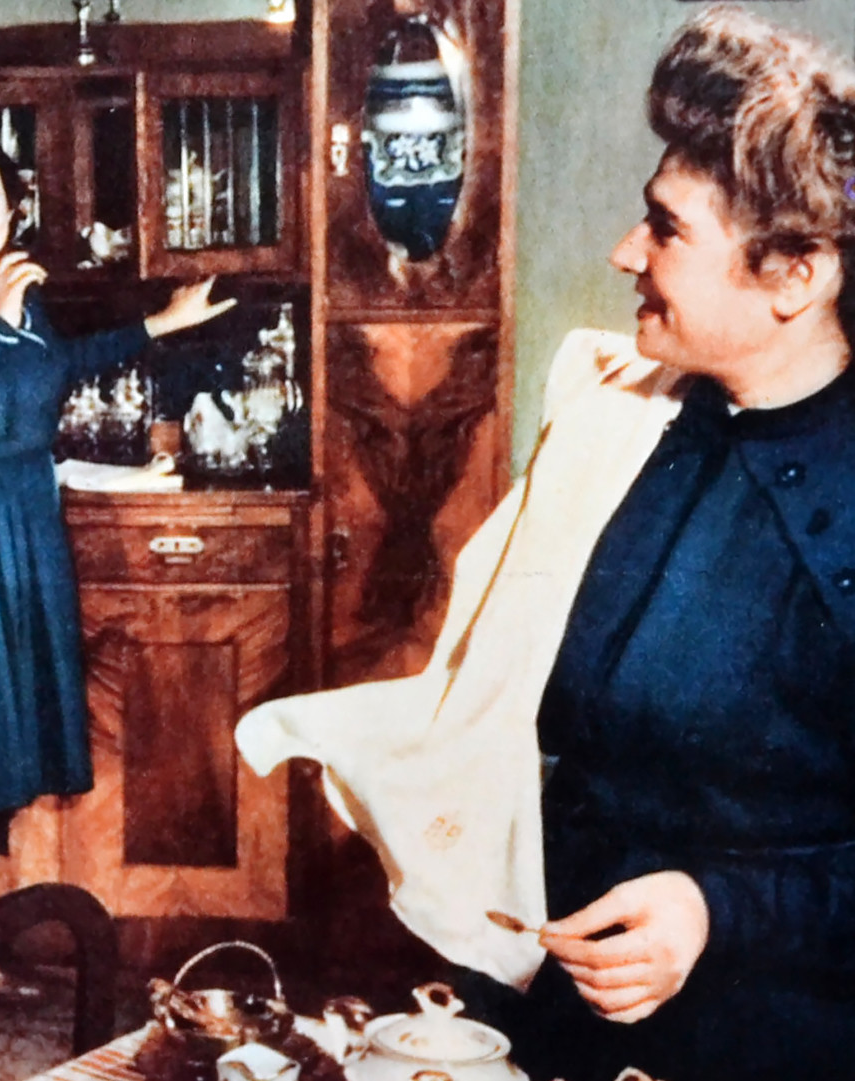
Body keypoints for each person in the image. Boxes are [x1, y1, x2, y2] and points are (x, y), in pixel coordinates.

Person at [238, 8, 855, 1078]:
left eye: (666, 231)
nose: (626, 252)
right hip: (555, 995)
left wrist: (718, 909)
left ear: (795, 275)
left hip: (771, 1027)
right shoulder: (627, 417)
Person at [0, 130, 233, 945]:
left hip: (18, 528)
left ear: (15, 206)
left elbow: (55, 364)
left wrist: (159, 323)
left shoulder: (19, 290)